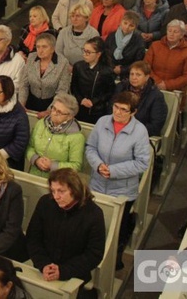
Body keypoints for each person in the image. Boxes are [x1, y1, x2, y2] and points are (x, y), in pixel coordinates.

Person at [85, 91, 150, 268]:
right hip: (97, 184)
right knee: (94, 226)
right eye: (116, 107)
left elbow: (142, 163)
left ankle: (114, 261)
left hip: (122, 190)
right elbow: (90, 147)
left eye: (124, 109)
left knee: (117, 229)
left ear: (133, 112)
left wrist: (113, 171)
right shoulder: (102, 122)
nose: (118, 112)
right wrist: (98, 165)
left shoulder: (139, 132)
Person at [27, 168, 105, 286]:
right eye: (53, 191)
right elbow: (33, 238)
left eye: (61, 191)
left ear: (75, 190)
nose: (56, 196)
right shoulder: (45, 203)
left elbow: (94, 254)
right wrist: (44, 264)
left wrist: (63, 271)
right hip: (43, 269)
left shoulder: (93, 214)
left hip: (75, 275)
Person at [26, 93, 85, 177]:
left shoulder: (76, 137)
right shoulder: (41, 124)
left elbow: (76, 166)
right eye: (54, 108)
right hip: (34, 175)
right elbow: (29, 146)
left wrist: (52, 165)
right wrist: (36, 160)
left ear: (70, 117)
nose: (54, 113)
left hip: (59, 180)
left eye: (59, 112)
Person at [19, 32, 71, 114]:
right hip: (30, 103)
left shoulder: (63, 63)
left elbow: (62, 91)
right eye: (38, 47)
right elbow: (24, 84)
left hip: (52, 104)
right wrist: (21, 104)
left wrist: (50, 110)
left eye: (44, 47)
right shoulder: (31, 57)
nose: (40, 50)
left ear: (53, 49)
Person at [114, 61, 168, 137]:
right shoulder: (121, 87)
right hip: (116, 130)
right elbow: (111, 109)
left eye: (138, 75)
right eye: (131, 74)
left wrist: (131, 129)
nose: (134, 78)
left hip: (140, 135)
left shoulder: (156, 96)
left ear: (146, 77)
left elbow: (155, 126)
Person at [71, 36, 116, 124]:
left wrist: (94, 101)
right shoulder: (78, 66)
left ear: (98, 54)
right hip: (79, 107)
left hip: (97, 110)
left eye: (88, 52)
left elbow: (109, 92)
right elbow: (74, 86)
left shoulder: (106, 71)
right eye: (84, 50)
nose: (84, 54)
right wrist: (81, 100)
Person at [105, 10, 146, 79]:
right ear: (121, 22)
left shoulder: (139, 40)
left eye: (131, 25)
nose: (127, 27)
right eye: (125, 23)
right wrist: (113, 68)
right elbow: (106, 54)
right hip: (109, 71)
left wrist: (123, 69)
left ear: (135, 27)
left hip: (128, 74)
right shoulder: (111, 36)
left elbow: (138, 61)